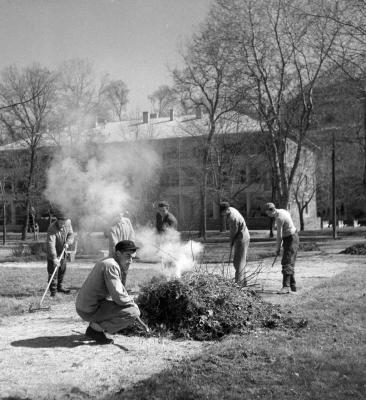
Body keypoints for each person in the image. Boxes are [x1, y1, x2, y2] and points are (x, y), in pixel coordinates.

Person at [75, 240, 149, 345]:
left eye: (132, 257)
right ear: (118, 253)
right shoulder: (111, 266)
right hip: (89, 309)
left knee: (128, 308)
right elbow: (118, 297)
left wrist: (128, 300)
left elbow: (119, 290)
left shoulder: (110, 262)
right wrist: (133, 303)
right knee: (133, 313)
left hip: (87, 305)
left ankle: (96, 327)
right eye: (128, 256)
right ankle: (95, 331)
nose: (130, 260)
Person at [264, 202, 299, 294]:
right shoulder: (281, 211)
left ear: (272, 211)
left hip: (291, 238)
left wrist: (277, 248)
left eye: (268, 213)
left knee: (287, 261)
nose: (268, 215)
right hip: (290, 237)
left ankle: (286, 287)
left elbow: (279, 236)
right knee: (289, 261)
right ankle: (293, 286)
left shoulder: (279, 218)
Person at [220, 202, 250, 285]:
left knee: (238, 261)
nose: (222, 215)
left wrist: (231, 243)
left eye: (222, 213)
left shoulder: (233, 218)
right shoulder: (231, 209)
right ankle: (243, 282)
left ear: (226, 210)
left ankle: (239, 283)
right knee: (240, 260)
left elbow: (233, 232)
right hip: (241, 236)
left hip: (242, 238)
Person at [46, 211, 75, 297]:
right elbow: (51, 244)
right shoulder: (52, 228)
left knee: (62, 270)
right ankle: (53, 291)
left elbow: (71, 235)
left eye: (64, 222)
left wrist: (68, 242)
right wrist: (54, 258)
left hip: (63, 252)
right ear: (57, 220)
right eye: (61, 222)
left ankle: (60, 287)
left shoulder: (68, 223)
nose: (63, 224)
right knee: (53, 272)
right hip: (53, 253)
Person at [107, 212, 135, 286]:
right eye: (117, 213)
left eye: (121, 213)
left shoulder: (127, 221)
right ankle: (116, 289)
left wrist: (131, 248)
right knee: (116, 271)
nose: (119, 215)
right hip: (117, 253)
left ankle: (123, 288)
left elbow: (132, 235)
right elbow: (114, 243)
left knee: (125, 271)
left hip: (127, 251)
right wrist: (119, 253)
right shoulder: (112, 226)